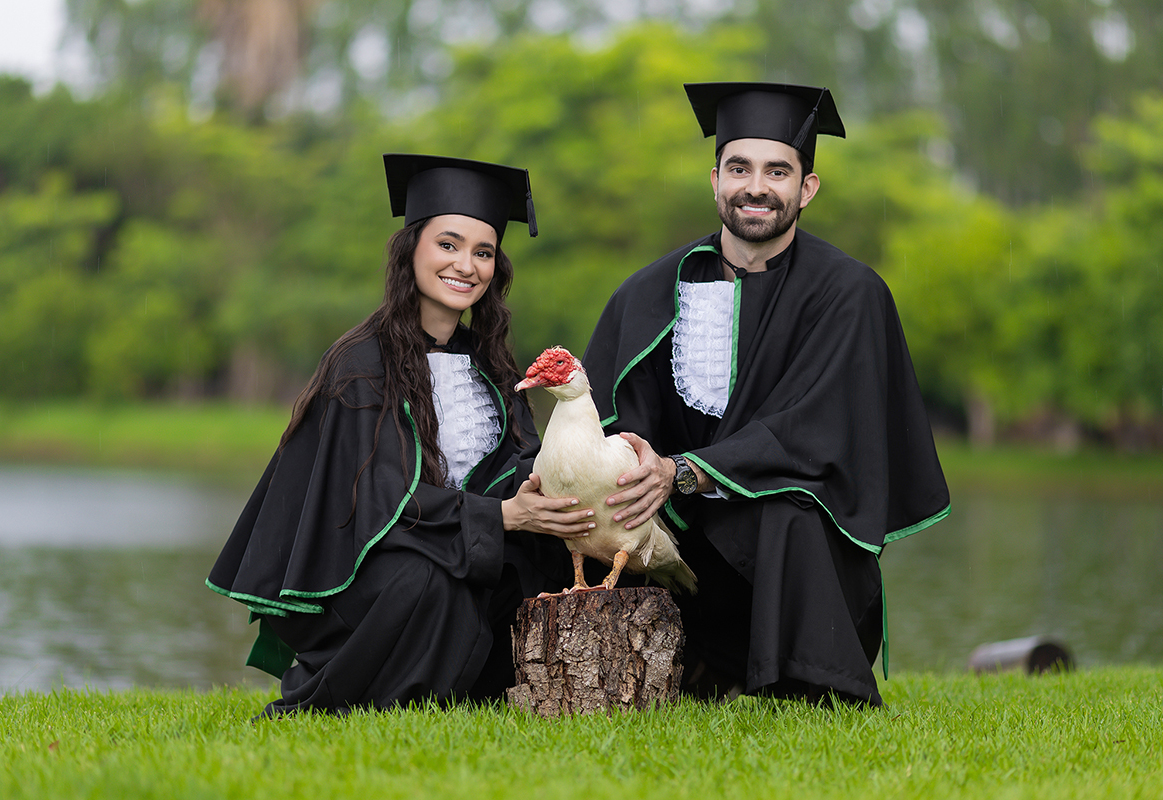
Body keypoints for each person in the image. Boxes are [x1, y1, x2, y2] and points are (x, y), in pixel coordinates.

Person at [582, 83, 951, 706]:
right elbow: (615, 424)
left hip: (794, 561)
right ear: (714, 181)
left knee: (790, 510)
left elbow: (815, 429)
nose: (756, 187)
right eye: (739, 168)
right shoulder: (648, 292)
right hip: (678, 546)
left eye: (777, 171)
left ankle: (811, 683)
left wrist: (685, 472)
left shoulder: (849, 293)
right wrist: (635, 473)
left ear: (807, 188)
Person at [207, 154, 586, 716]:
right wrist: (500, 517)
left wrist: (543, 489)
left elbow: (518, 460)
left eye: (483, 252)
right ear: (412, 250)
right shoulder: (361, 363)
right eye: (448, 245)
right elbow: (380, 497)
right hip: (372, 566)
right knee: (428, 578)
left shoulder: (492, 364)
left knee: (549, 555)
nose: (466, 266)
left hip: (468, 542)